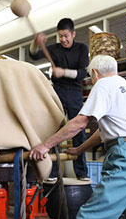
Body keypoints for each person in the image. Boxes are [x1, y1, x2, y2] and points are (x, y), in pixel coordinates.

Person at [17, 54, 126, 219]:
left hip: (125, 158)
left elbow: (80, 122)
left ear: (96, 74)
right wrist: (79, 150)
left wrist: (45, 145)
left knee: (95, 214)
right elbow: (106, 131)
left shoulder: (103, 85)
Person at [29, 18, 89, 180]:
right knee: (54, 130)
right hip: (57, 92)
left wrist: (63, 72)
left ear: (73, 34)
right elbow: (34, 55)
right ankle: (53, 172)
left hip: (76, 92)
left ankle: (81, 172)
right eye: (60, 36)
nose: (63, 39)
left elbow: (83, 73)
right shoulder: (55, 49)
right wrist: (36, 43)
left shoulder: (82, 49)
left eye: (66, 36)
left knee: (78, 132)